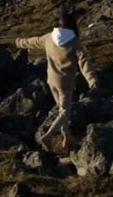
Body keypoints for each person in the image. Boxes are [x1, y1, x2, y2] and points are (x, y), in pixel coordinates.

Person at [15, 9, 98, 151]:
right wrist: (92, 81)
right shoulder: (74, 42)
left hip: (51, 80)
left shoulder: (49, 37)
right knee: (65, 113)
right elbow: (84, 64)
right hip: (65, 82)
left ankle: (67, 138)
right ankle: (48, 136)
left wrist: (18, 42)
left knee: (61, 111)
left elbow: (32, 42)